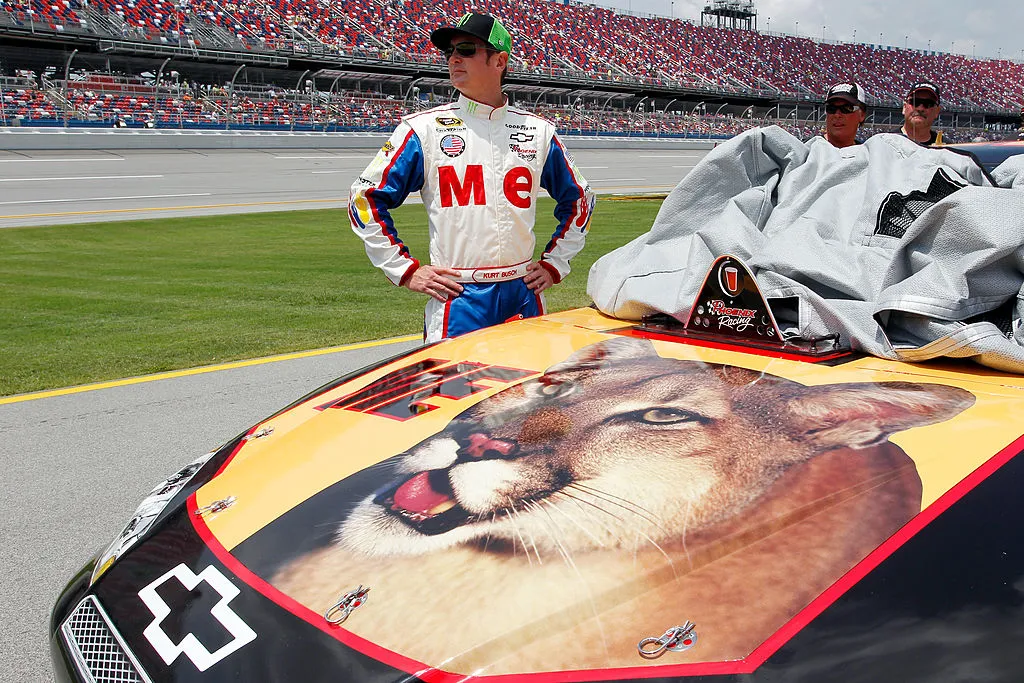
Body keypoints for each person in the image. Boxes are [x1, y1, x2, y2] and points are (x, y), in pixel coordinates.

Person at [349, 13, 595, 342]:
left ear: (499, 60)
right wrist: (406, 271)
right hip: (458, 299)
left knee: (524, 393)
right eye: (449, 52)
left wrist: (555, 263)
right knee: (450, 393)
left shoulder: (538, 131)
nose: (454, 58)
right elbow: (363, 199)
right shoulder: (423, 129)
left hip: (522, 294)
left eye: (466, 49)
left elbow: (581, 198)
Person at [822, 82, 868, 148]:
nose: (837, 115)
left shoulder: (867, 155)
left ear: (862, 115)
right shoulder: (809, 152)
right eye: (831, 109)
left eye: (846, 108)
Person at [901, 81, 943, 145]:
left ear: (937, 111)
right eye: (915, 102)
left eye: (928, 104)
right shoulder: (886, 143)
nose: (920, 108)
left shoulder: (948, 148)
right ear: (904, 107)